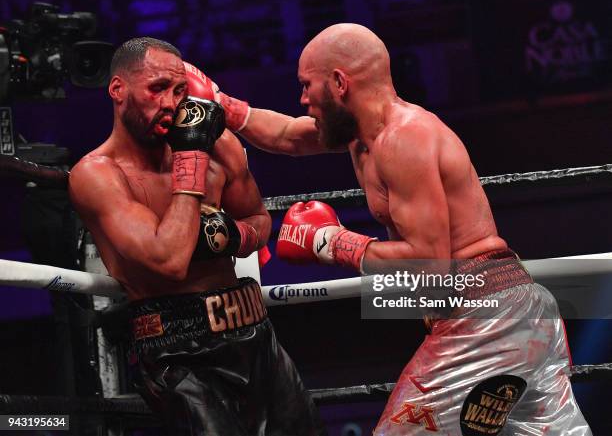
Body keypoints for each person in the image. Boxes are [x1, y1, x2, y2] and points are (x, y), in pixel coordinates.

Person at [208, 24, 592, 435]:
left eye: (307, 85)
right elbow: (285, 135)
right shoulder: (361, 135)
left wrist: (329, 241)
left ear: (339, 83)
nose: (302, 100)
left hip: (485, 317)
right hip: (510, 313)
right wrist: (221, 104)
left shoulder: (404, 139)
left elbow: (428, 266)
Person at [69, 37, 324, 436]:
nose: (171, 103)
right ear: (117, 89)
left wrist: (232, 237)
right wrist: (190, 155)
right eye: (156, 89)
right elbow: (169, 260)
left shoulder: (218, 144)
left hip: (255, 334)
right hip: (179, 353)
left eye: (179, 90)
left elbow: (258, 219)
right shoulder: (98, 176)